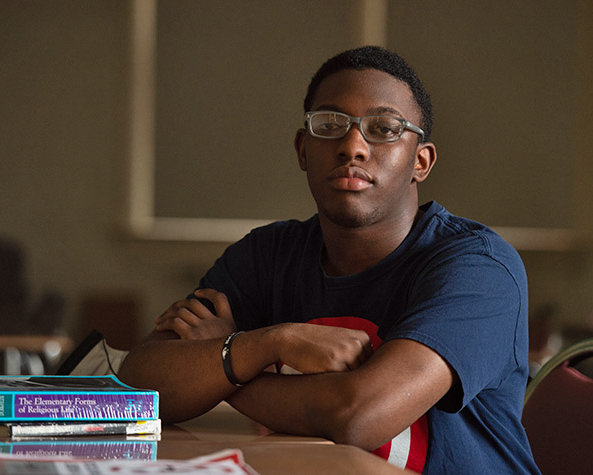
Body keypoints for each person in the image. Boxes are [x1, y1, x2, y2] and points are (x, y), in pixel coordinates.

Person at [118, 46, 540, 474]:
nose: (353, 146)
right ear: (303, 149)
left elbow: (357, 416)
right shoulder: (267, 255)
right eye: (331, 125)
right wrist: (269, 342)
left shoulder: (478, 268)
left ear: (421, 161)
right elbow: (138, 388)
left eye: (384, 128)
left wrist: (228, 369)